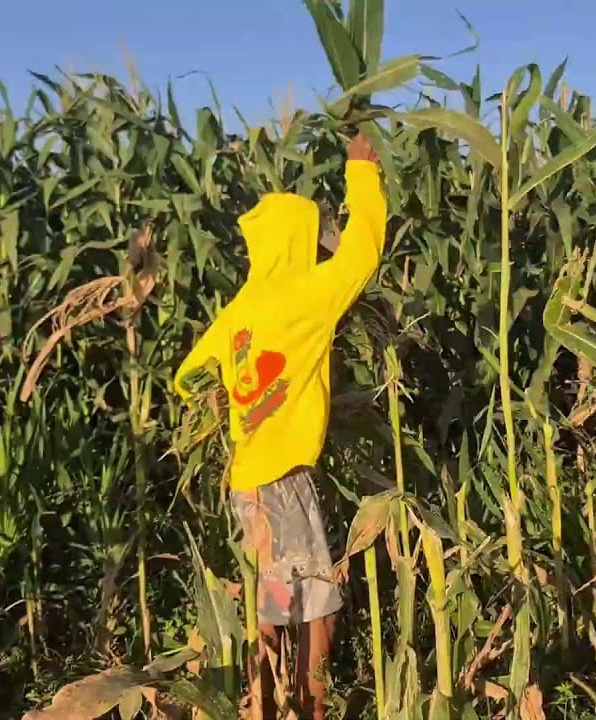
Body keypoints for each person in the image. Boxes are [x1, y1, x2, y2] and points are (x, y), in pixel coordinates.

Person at [172, 132, 386, 720]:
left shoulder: (239, 309)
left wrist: (228, 398)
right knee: (317, 603)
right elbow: (363, 254)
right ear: (297, 241)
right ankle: (311, 709)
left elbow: (186, 378)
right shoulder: (304, 295)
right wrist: (362, 173)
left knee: (272, 600)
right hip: (284, 478)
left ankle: (263, 705)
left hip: (247, 480)